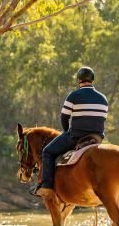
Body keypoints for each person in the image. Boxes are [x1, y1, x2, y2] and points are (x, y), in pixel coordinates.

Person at [33, 67, 108, 198]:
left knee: (47, 152)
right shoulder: (103, 98)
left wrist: (67, 132)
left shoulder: (73, 96)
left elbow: (64, 117)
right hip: (97, 138)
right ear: (92, 80)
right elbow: (102, 120)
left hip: (76, 136)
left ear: (79, 80)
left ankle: (47, 186)